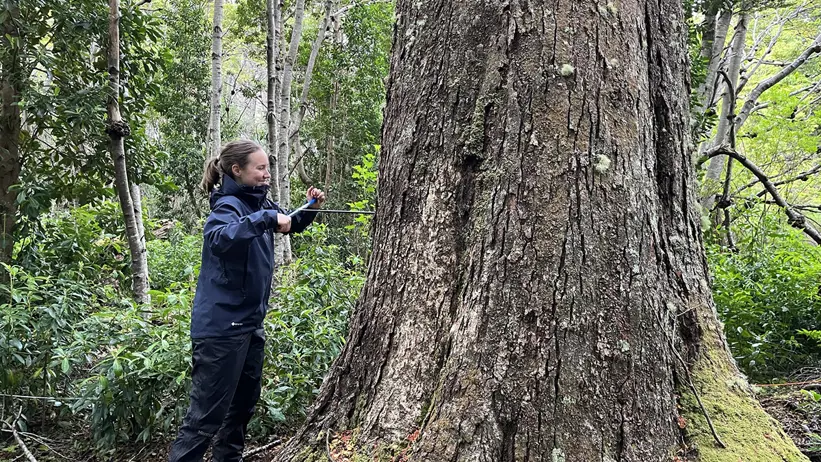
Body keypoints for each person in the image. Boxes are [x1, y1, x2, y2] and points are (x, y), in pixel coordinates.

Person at [168, 140, 325, 462]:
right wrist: (266, 218)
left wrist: (309, 209)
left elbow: (287, 222)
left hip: (249, 324)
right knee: (204, 419)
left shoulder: (256, 203)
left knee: (240, 408)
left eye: (268, 167)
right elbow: (219, 237)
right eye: (261, 168)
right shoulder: (228, 206)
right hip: (221, 330)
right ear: (237, 170)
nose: (267, 174)